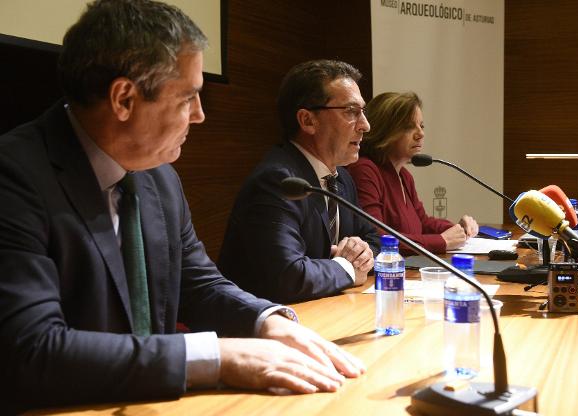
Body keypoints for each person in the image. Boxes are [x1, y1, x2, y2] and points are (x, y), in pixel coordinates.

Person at [0, 1, 365, 412]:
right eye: (189, 96)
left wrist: (267, 323)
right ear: (124, 99)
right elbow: (30, 351)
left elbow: (198, 284)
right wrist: (220, 357)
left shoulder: (159, 177)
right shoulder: (15, 176)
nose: (200, 115)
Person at [218, 59, 379, 304]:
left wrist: (361, 253)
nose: (365, 125)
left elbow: (374, 239)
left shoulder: (342, 178)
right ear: (307, 121)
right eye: (351, 112)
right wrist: (346, 268)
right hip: (262, 328)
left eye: (363, 112)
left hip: (325, 312)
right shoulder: (278, 181)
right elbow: (287, 276)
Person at [347, 92, 478, 254]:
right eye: (409, 127)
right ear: (384, 130)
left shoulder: (404, 176)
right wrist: (442, 241)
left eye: (421, 126)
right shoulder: (364, 170)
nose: (420, 134)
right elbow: (377, 237)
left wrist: (458, 229)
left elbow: (423, 223)